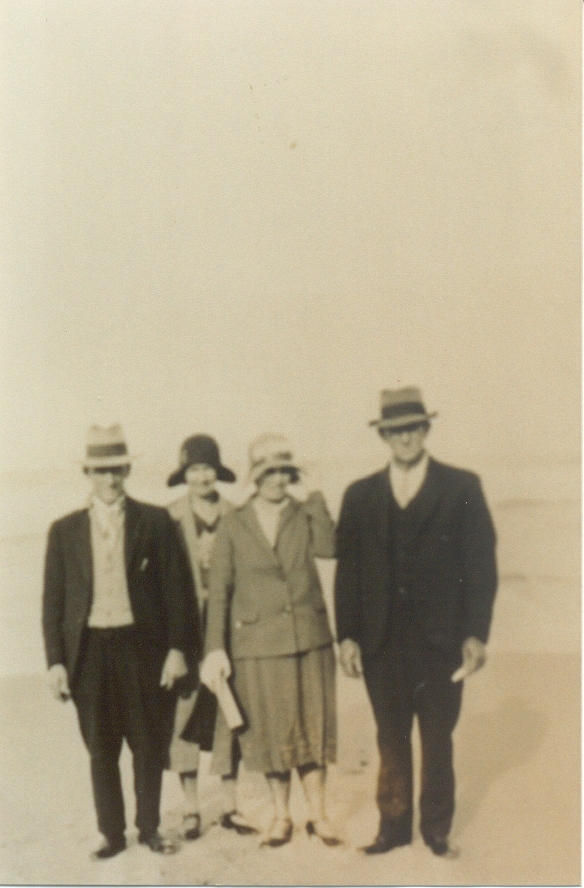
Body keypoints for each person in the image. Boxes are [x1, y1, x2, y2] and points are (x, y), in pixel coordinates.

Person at [335, 388, 497, 857]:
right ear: (384, 436)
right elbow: (348, 572)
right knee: (389, 735)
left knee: (437, 734)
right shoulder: (360, 495)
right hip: (380, 640)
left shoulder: (462, 487)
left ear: (426, 430)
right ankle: (394, 824)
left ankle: (436, 827)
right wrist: (347, 635)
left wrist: (475, 634)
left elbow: (481, 567)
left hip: (441, 639)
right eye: (395, 431)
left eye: (413, 428)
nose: (405, 438)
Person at [42, 425, 200, 860]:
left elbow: (179, 593)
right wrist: (56, 662)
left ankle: (149, 828)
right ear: (88, 473)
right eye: (100, 471)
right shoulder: (64, 531)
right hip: (89, 652)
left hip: (142, 648)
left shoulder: (155, 521)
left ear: (127, 469)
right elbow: (53, 603)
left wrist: (176, 650)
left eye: (116, 470)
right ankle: (111, 833)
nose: (109, 480)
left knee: (148, 742)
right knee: (101, 746)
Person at [200, 434, 340, 847]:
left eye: (285, 472)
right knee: (272, 734)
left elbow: (330, 548)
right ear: (254, 477)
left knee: (314, 729)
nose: (278, 480)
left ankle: (318, 815)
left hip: (309, 638)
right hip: (257, 646)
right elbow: (219, 591)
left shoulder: (304, 511)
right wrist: (215, 648)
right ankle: (282, 816)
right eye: (269, 472)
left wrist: (315, 490)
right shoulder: (234, 522)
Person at [166, 434, 257, 840]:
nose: (201, 476)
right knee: (182, 710)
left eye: (207, 468)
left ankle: (230, 803)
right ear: (185, 474)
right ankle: (190, 806)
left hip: (228, 621)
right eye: (194, 469)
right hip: (184, 624)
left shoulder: (238, 514)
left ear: (217, 472)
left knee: (227, 706)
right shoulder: (168, 518)